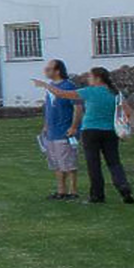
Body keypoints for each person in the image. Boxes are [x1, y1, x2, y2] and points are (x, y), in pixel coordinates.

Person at [35, 67, 134, 205]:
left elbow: (62, 94)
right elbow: (128, 112)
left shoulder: (88, 92)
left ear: (97, 78)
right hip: (110, 131)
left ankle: (97, 195)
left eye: (90, 76)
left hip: (90, 131)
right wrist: (122, 125)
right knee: (114, 162)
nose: (88, 79)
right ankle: (123, 187)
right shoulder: (115, 93)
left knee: (94, 164)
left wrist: (45, 85)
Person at [38, 59, 80, 200]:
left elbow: (77, 107)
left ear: (57, 71)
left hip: (65, 131)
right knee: (56, 163)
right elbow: (49, 107)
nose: (46, 71)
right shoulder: (50, 86)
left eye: (49, 69)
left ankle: (73, 191)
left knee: (68, 162)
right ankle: (61, 191)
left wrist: (74, 127)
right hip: (52, 131)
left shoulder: (68, 86)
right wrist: (46, 125)